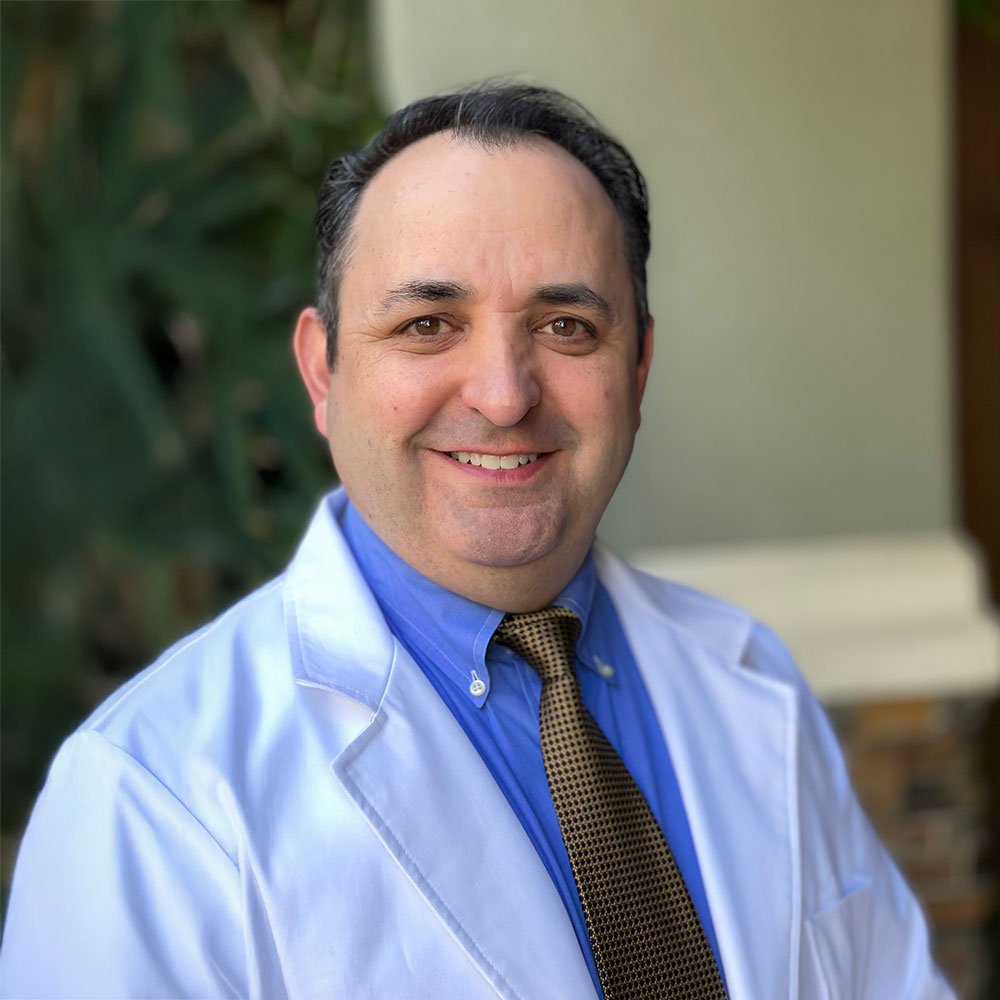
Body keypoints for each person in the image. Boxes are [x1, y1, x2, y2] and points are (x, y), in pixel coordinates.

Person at [1, 83, 951, 1000]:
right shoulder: (149, 800)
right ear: (323, 372)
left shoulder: (752, 684)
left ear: (641, 367)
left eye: (567, 326)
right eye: (427, 324)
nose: (504, 394)